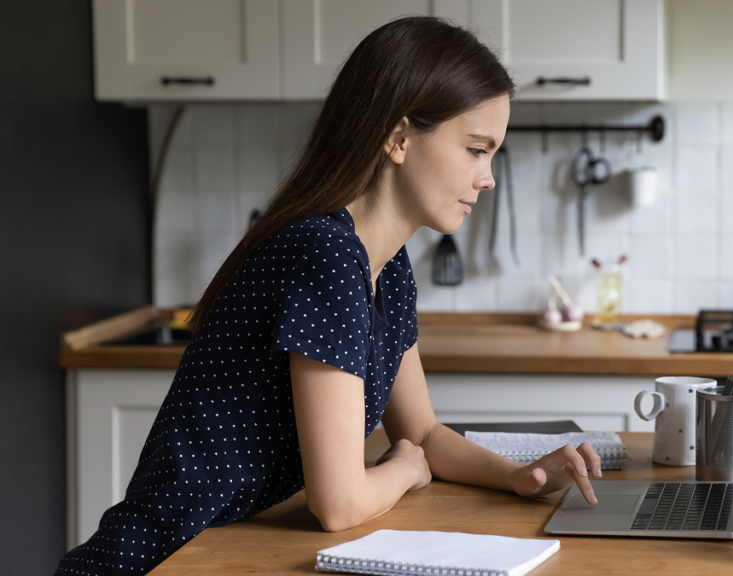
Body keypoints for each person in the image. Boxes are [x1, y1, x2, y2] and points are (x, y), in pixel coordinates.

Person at [56, 16, 600, 575]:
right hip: (156, 559)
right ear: (399, 136)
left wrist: (523, 475)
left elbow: (422, 434)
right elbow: (339, 504)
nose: (488, 178)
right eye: (475, 149)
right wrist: (407, 472)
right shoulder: (327, 254)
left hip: (216, 549)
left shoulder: (385, 265)